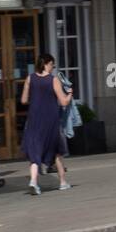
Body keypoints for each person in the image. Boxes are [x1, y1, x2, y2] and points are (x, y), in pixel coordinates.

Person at [20, 54, 72, 196]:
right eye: (52, 65)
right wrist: (70, 94)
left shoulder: (30, 78)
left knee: (35, 151)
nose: (53, 68)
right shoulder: (53, 80)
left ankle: (33, 181)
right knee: (55, 150)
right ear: (47, 64)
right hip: (50, 119)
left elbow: (24, 100)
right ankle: (62, 182)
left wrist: (36, 97)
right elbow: (63, 102)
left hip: (34, 119)